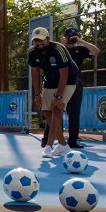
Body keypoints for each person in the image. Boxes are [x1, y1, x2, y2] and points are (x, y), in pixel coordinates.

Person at [28, 27, 75, 158]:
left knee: (56, 109)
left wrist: (59, 97)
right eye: (35, 41)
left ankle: (48, 146)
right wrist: (37, 95)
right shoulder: (32, 52)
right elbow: (35, 73)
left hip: (68, 81)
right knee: (48, 114)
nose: (38, 43)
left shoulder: (58, 49)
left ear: (48, 38)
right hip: (49, 81)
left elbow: (64, 74)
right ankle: (63, 146)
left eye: (41, 40)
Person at [61, 26, 100, 148]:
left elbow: (96, 51)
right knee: (56, 110)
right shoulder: (60, 49)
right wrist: (63, 45)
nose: (71, 39)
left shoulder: (80, 49)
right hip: (60, 82)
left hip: (75, 81)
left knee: (74, 112)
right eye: (70, 37)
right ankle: (53, 138)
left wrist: (80, 41)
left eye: (74, 36)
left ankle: (72, 140)